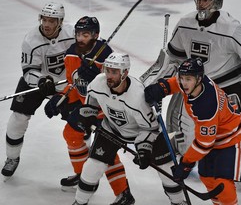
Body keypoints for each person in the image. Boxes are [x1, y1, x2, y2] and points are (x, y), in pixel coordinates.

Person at [140, 0, 241, 189]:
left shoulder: (232, 28)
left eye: (205, 0)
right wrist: (159, 80)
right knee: (186, 127)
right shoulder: (185, 24)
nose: (201, 4)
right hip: (195, 84)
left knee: (236, 132)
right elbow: (174, 58)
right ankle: (182, 156)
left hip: (228, 86)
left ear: (216, 3)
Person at [69, 52, 188, 205]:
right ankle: (79, 202)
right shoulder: (98, 83)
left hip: (142, 132)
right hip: (111, 128)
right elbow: (92, 105)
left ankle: (178, 202)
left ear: (125, 73)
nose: (109, 76)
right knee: (92, 167)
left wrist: (143, 149)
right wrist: (86, 117)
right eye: (107, 70)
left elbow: (150, 129)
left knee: (167, 168)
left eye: (114, 72)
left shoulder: (137, 98)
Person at [43, 16, 133, 203]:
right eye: (78, 34)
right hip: (88, 107)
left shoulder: (106, 57)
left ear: (96, 35)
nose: (80, 38)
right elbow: (73, 84)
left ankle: (124, 193)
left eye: (86, 34)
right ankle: (83, 176)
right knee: (71, 134)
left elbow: (117, 89)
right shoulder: (71, 54)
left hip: (109, 110)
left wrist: (99, 76)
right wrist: (62, 99)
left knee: (104, 150)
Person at [144, 57, 241, 205]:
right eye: (182, 78)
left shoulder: (206, 105)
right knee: (206, 177)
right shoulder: (194, 84)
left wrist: (186, 164)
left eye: (188, 79)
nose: (183, 83)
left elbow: (204, 144)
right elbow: (177, 83)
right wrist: (163, 87)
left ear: (199, 79)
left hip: (231, 138)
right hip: (212, 136)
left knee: (222, 183)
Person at [1, 2, 75, 179]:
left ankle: (85, 163)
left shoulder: (72, 34)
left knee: (80, 122)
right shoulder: (31, 40)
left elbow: (88, 50)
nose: (47, 24)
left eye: (52, 20)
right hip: (38, 82)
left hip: (66, 85)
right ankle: (12, 158)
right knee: (18, 118)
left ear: (60, 22)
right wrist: (41, 80)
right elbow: (28, 71)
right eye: (44, 19)